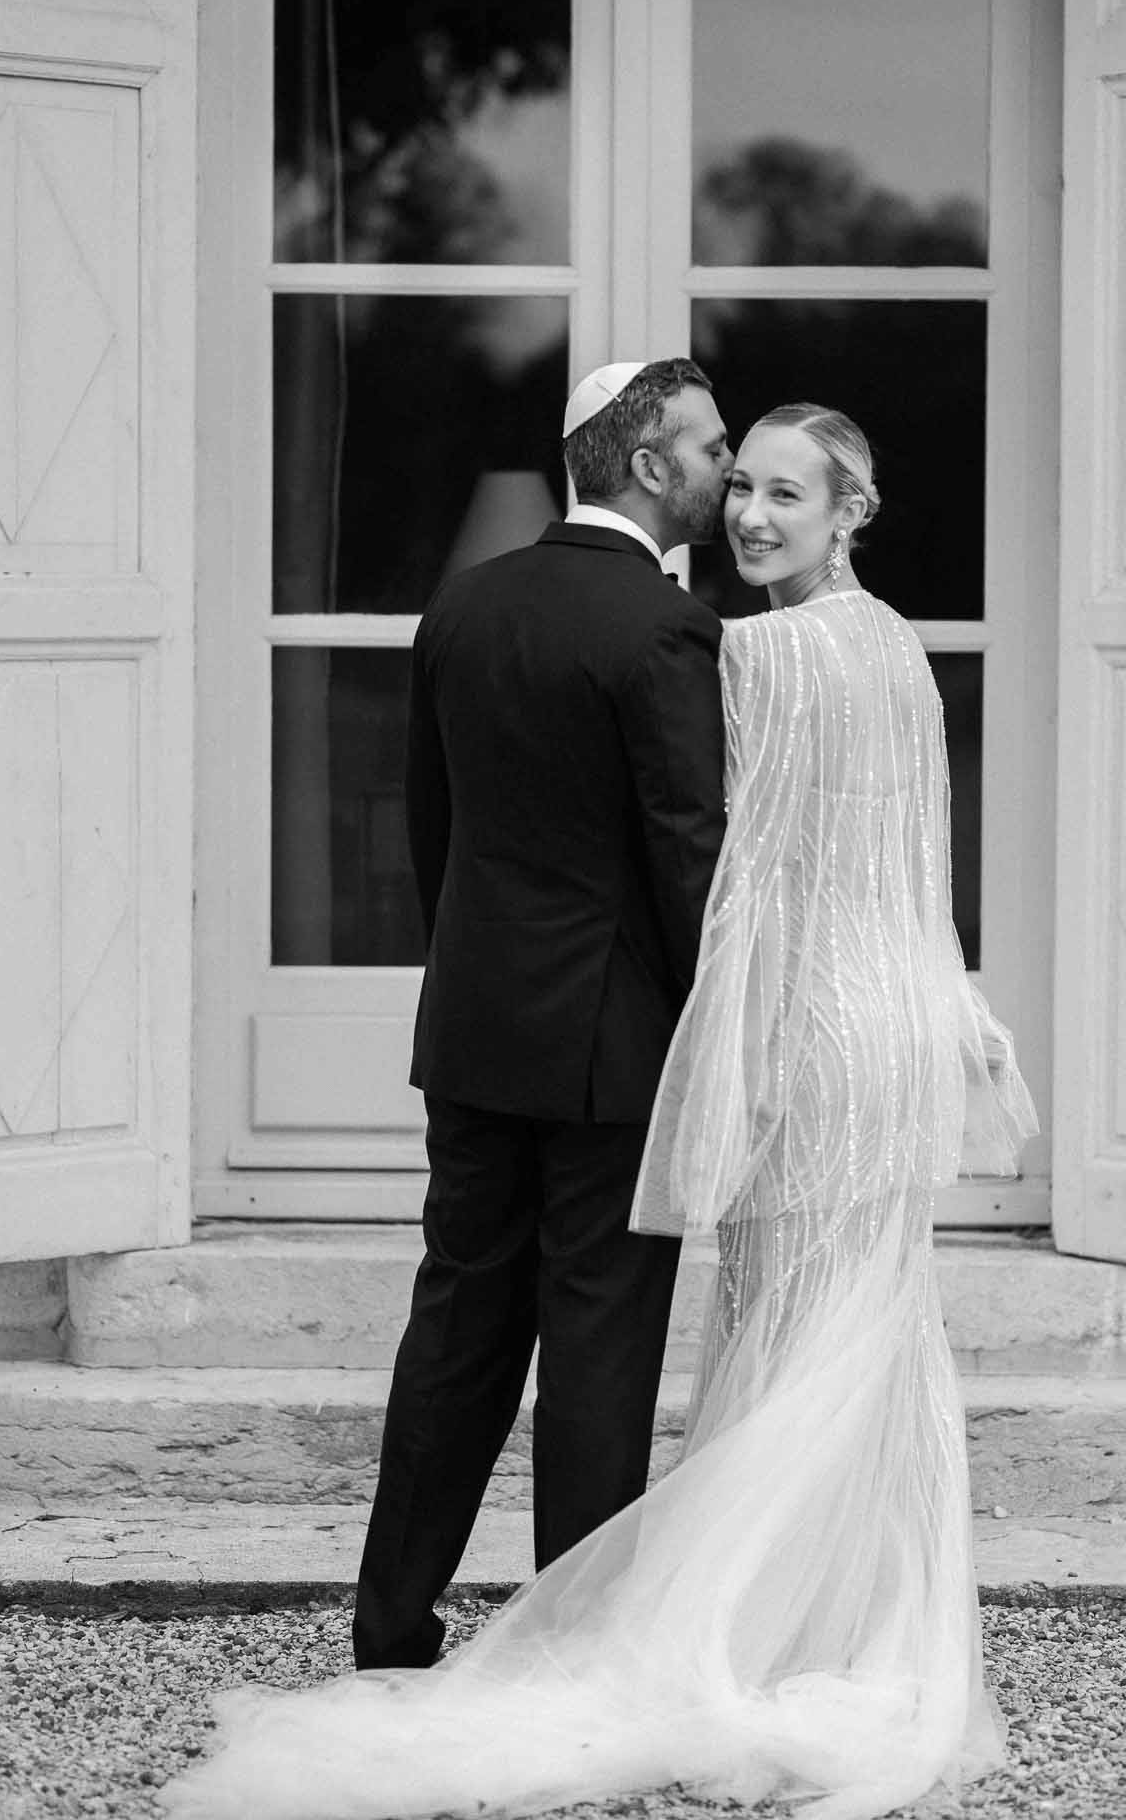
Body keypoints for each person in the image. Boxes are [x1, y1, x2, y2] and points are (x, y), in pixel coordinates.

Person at [165, 403, 1037, 1820]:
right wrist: (949, 1012)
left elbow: (688, 869)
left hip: (717, 1030)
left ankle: (502, 1632)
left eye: (781, 492)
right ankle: (835, 1630)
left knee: (640, 1334)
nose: (744, 507)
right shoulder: (883, 647)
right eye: (735, 477)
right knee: (825, 1341)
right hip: (869, 1023)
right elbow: (804, 856)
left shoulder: (544, 617)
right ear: (652, 464)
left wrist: (716, 1049)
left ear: (848, 511)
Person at [350, 356, 733, 1671]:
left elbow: (435, 830)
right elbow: (688, 859)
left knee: (456, 1328)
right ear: (647, 464)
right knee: (596, 1355)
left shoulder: (463, 604)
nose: (725, 467)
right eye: (707, 445)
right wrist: (714, 1034)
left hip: (475, 1029)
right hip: (610, 1054)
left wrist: (474, 976)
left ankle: (390, 1627)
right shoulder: (665, 629)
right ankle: (575, 1657)